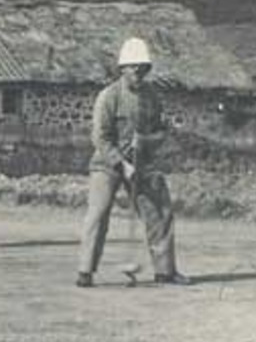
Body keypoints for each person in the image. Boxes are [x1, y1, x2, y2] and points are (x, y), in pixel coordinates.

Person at [76, 37, 189, 287]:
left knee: (160, 212)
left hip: (142, 164)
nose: (137, 71)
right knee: (99, 213)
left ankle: (165, 271)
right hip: (107, 165)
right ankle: (85, 271)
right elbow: (100, 138)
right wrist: (121, 163)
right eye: (132, 66)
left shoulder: (152, 97)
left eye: (142, 67)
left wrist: (148, 140)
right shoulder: (109, 96)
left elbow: (161, 131)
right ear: (122, 68)